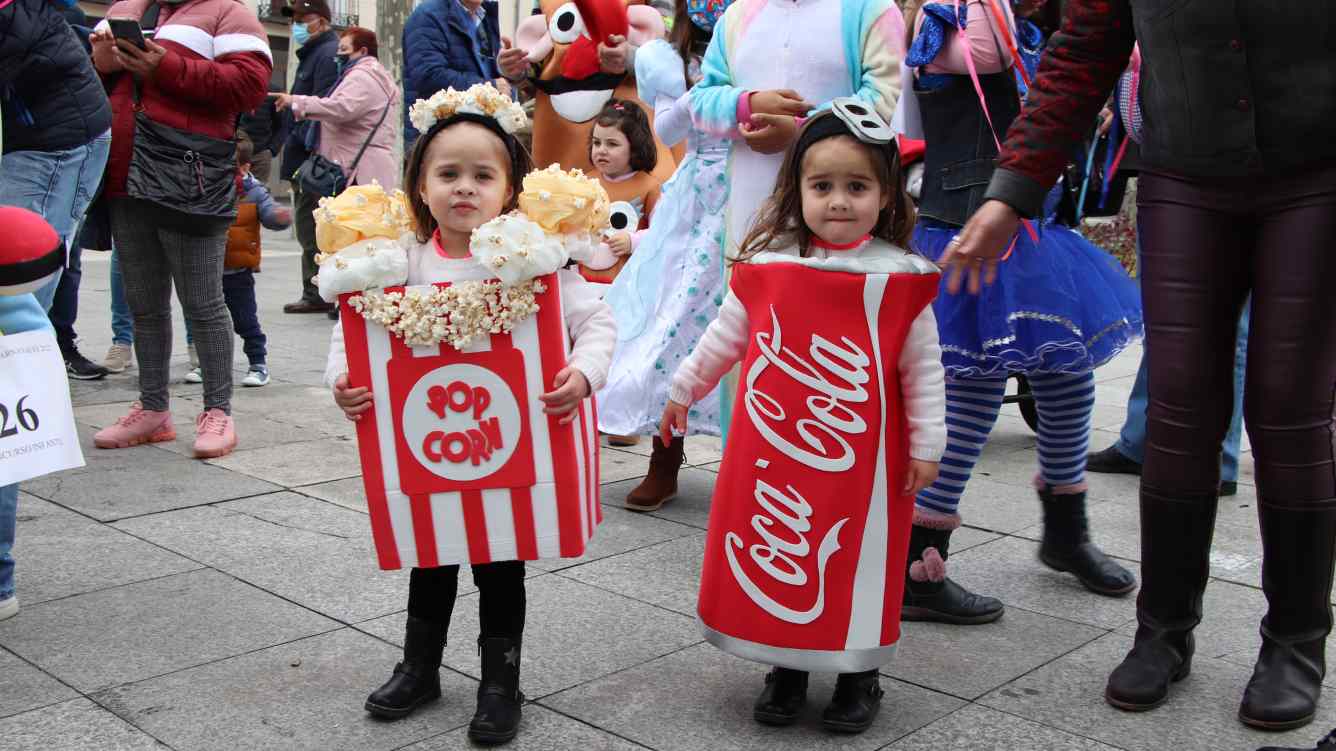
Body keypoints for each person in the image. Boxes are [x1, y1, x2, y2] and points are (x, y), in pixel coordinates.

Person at [939, 0, 1336, 731]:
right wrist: (1011, 192)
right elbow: (1084, 48)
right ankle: (1163, 630)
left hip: (1318, 174)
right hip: (1186, 174)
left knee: (1289, 406)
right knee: (1179, 405)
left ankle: (1295, 643)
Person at [326, 88, 615, 744]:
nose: (464, 187)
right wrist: (342, 382)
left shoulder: (532, 262)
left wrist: (584, 372)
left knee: (499, 565)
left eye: (483, 175)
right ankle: (419, 665)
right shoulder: (396, 262)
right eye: (447, 173)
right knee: (431, 559)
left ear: (510, 188)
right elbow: (354, 334)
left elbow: (596, 319)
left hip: (507, 456)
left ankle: (500, 679)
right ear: (419, 186)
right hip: (428, 452)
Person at [662, 108, 945, 734]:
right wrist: (684, 386)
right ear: (798, 191)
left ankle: (858, 674)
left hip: (863, 461)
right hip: (780, 454)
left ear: (885, 195)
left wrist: (928, 444)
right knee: (782, 552)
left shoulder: (901, 277)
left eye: (857, 187)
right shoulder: (770, 266)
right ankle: (784, 666)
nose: (838, 202)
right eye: (823, 186)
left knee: (855, 557)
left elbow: (923, 370)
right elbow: (725, 336)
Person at [894, 0, 1141, 626]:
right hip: (964, 233)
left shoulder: (1016, 20)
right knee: (972, 397)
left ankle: (1066, 532)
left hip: (1033, 236)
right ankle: (921, 563)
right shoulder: (948, 22)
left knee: (1067, 380)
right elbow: (992, 54)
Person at [89, 0, 272, 460]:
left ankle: (218, 412)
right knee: (144, 305)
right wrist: (102, 63)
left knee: (203, 304)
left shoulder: (230, 13)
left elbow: (249, 87)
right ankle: (153, 409)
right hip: (123, 173)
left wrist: (165, 65)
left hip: (189, 178)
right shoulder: (126, 8)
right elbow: (90, 85)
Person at [598, 0, 733, 511]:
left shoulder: (764, 44)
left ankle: (756, 461)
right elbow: (669, 131)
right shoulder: (664, 59)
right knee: (670, 322)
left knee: (751, 326)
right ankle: (664, 458)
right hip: (694, 201)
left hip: (759, 193)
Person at [687, 0, 904, 265]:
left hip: (844, 215)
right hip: (750, 207)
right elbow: (699, 100)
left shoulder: (871, 9)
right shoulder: (737, 14)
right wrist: (747, 105)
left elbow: (887, 96)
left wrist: (804, 132)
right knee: (750, 301)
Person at [0, 0, 113, 377]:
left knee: (20, 265)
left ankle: (26, 375)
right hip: (40, 136)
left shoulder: (15, 15)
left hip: (56, 143)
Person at [183, 136, 291, 388]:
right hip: (206, 267)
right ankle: (206, 365)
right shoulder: (201, 185)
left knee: (245, 320)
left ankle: (258, 363)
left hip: (237, 270)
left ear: (245, 168)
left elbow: (270, 212)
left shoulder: (253, 191)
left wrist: (279, 216)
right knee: (205, 320)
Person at [277, 27, 400, 192]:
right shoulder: (370, 74)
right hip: (362, 168)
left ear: (363, 51)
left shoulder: (362, 76)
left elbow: (340, 108)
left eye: (344, 49)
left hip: (357, 172)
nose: (338, 55)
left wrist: (297, 101)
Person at [279, 0, 341, 315]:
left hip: (313, 157)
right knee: (309, 227)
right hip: (304, 153)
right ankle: (316, 290)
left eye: (304, 18)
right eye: (296, 20)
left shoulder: (327, 55)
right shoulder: (314, 53)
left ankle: (320, 291)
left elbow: (320, 108)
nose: (298, 25)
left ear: (322, 21)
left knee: (311, 226)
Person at [401, 0, 510, 155]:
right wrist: (491, 87)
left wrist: (510, 73)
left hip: (480, 138)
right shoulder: (428, 15)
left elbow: (495, 78)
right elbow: (429, 77)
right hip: (438, 143)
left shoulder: (484, 15)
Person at [582, 99, 661, 286]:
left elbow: (663, 231)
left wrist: (633, 241)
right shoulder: (585, 182)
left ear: (634, 148)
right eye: (597, 143)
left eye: (612, 144)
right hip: (582, 278)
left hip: (628, 283)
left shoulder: (649, 186)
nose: (602, 150)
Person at [238, 83, 286, 184]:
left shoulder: (274, 92)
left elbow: (282, 125)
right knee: (234, 193)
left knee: (257, 194)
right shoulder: (238, 86)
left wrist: (271, 150)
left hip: (261, 154)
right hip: (237, 152)